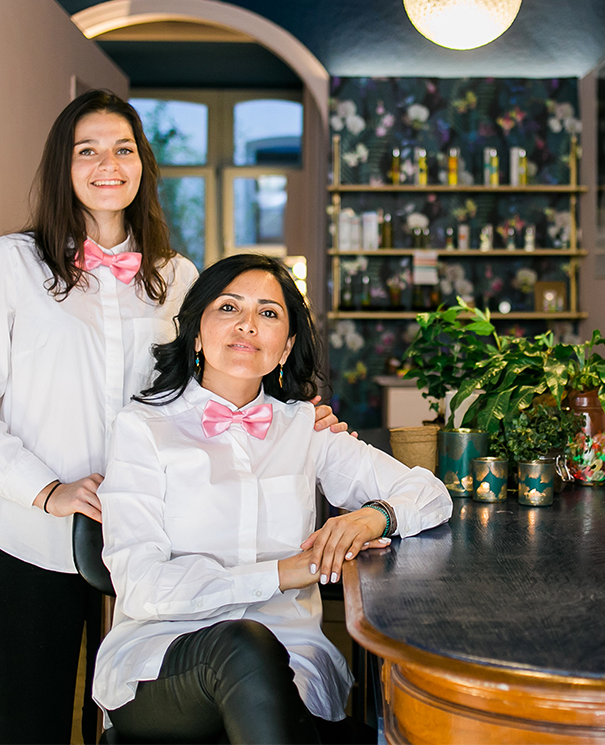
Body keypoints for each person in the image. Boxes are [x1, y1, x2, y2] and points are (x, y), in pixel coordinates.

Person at [0, 92, 348, 744]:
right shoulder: (10, 265)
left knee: (142, 718)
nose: (106, 164)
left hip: (157, 542)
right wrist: (51, 490)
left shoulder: (177, 277)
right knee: (28, 727)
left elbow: (211, 396)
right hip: (34, 539)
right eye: (87, 150)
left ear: (143, 163)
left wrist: (297, 424)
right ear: (64, 165)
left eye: (122, 148)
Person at [95, 254, 452, 743]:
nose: (246, 325)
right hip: (162, 662)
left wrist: (373, 518)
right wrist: (287, 572)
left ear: (285, 348)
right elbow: (140, 585)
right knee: (243, 645)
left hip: (292, 657)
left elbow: (431, 494)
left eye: (268, 313)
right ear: (196, 334)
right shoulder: (142, 429)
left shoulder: (305, 428)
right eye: (228, 308)